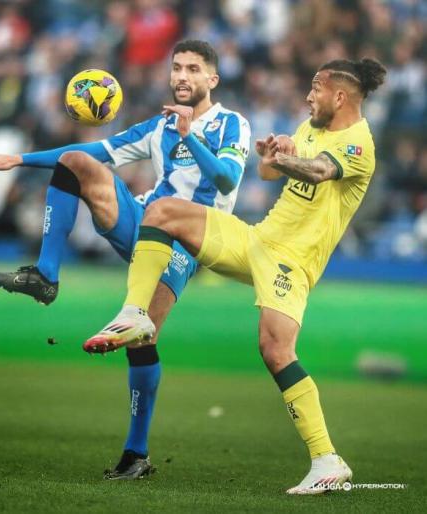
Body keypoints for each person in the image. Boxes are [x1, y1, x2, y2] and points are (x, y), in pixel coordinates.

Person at [84, 58, 386, 494]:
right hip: (257, 241)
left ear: (339, 96)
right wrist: (273, 154)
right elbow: (266, 171)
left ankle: (327, 460)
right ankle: (135, 314)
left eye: (315, 89)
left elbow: (319, 171)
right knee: (162, 210)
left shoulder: (359, 143)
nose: (307, 96)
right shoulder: (310, 128)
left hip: (292, 261)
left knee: (275, 349)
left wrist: (287, 160)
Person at [0, 40, 251, 479]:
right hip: (144, 222)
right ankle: (46, 275)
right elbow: (98, 154)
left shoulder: (231, 124)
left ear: (212, 79)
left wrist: (190, 136)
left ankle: (136, 455)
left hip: (188, 241)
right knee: (73, 161)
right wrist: (19, 159)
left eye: (192, 69)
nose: (182, 76)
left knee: (143, 338)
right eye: (177, 68)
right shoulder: (158, 126)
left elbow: (227, 178)